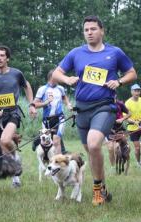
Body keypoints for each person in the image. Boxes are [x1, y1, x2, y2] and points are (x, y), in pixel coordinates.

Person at [52, 15, 137, 206]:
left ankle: (96, 190)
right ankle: (104, 189)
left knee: (94, 144)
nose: (89, 32)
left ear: (102, 30)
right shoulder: (76, 53)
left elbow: (132, 72)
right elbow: (57, 72)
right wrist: (67, 79)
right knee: (91, 153)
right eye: (86, 30)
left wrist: (119, 81)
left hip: (104, 106)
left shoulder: (114, 53)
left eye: (93, 29)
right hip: (82, 108)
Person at [0, 45, 37, 187]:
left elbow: (27, 86)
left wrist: (31, 104)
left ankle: (16, 157)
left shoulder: (16, 73)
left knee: (6, 140)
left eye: (2, 56)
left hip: (12, 112)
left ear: (7, 58)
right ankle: (15, 178)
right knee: (1, 147)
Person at [32, 69, 72, 154]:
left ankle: (59, 163)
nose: (60, 79)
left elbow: (64, 97)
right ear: (52, 77)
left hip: (59, 118)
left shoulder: (61, 88)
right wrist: (45, 102)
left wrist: (68, 104)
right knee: (46, 141)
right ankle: (37, 141)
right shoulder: (42, 89)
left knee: (56, 140)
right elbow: (34, 104)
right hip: (46, 120)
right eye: (58, 77)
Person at [106, 96, 130, 169]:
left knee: (119, 148)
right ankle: (112, 166)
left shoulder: (120, 104)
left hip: (119, 129)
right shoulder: (104, 104)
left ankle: (122, 164)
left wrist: (122, 119)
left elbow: (129, 114)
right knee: (110, 149)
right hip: (109, 129)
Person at [125, 84, 141, 167]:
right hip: (132, 128)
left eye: (138, 90)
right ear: (131, 92)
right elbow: (125, 117)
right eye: (135, 91)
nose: (137, 92)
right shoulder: (127, 103)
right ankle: (139, 162)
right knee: (137, 148)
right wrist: (135, 122)